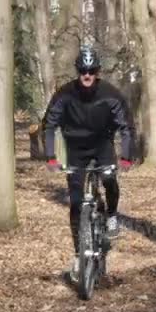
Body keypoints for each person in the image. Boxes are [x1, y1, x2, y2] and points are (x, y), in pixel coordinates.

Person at [43, 46, 134, 279]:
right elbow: (49, 125)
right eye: (83, 70)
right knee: (75, 202)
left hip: (102, 146)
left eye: (91, 71)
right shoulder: (64, 95)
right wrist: (51, 157)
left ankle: (111, 214)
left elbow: (126, 127)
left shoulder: (110, 94)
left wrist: (125, 156)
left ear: (97, 72)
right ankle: (78, 254)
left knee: (109, 178)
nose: (87, 75)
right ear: (78, 71)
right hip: (76, 149)